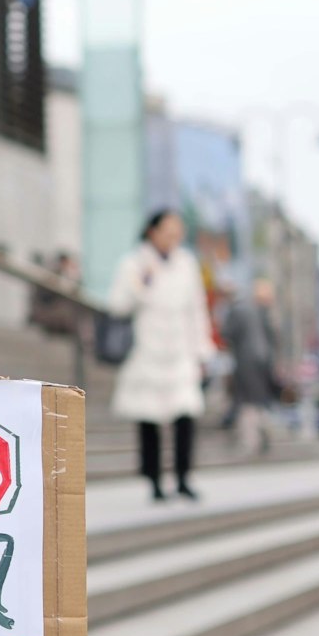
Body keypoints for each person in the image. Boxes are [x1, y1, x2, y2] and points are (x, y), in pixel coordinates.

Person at [109, 210, 216, 500]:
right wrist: (142, 283)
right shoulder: (134, 263)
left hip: (180, 351)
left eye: (177, 232)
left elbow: (196, 310)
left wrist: (202, 349)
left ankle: (183, 477)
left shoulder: (187, 264)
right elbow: (118, 305)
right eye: (168, 231)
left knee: (186, 415)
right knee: (149, 420)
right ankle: (154, 482)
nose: (173, 238)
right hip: (147, 351)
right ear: (152, 232)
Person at [224, 277, 279, 456]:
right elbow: (272, 339)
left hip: (247, 362)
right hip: (262, 361)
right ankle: (263, 431)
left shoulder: (240, 309)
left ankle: (252, 439)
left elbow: (228, 333)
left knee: (248, 401)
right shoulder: (260, 313)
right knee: (258, 401)